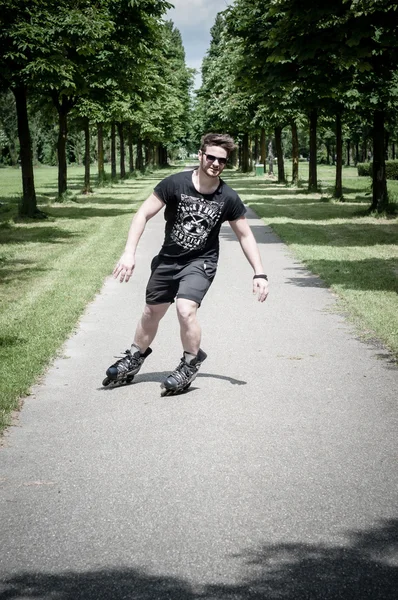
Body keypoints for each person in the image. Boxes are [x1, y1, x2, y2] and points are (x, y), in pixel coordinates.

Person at [104, 132, 269, 395]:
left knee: (185, 309)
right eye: (211, 157)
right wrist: (129, 252)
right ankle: (134, 357)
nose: (215, 163)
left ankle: (190, 362)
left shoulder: (228, 197)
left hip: (200, 261)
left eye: (222, 161)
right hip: (168, 259)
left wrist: (259, 273)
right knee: (151, 312)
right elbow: (142, 214)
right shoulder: (175, 184)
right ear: (201, 155)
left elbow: (245, 234)